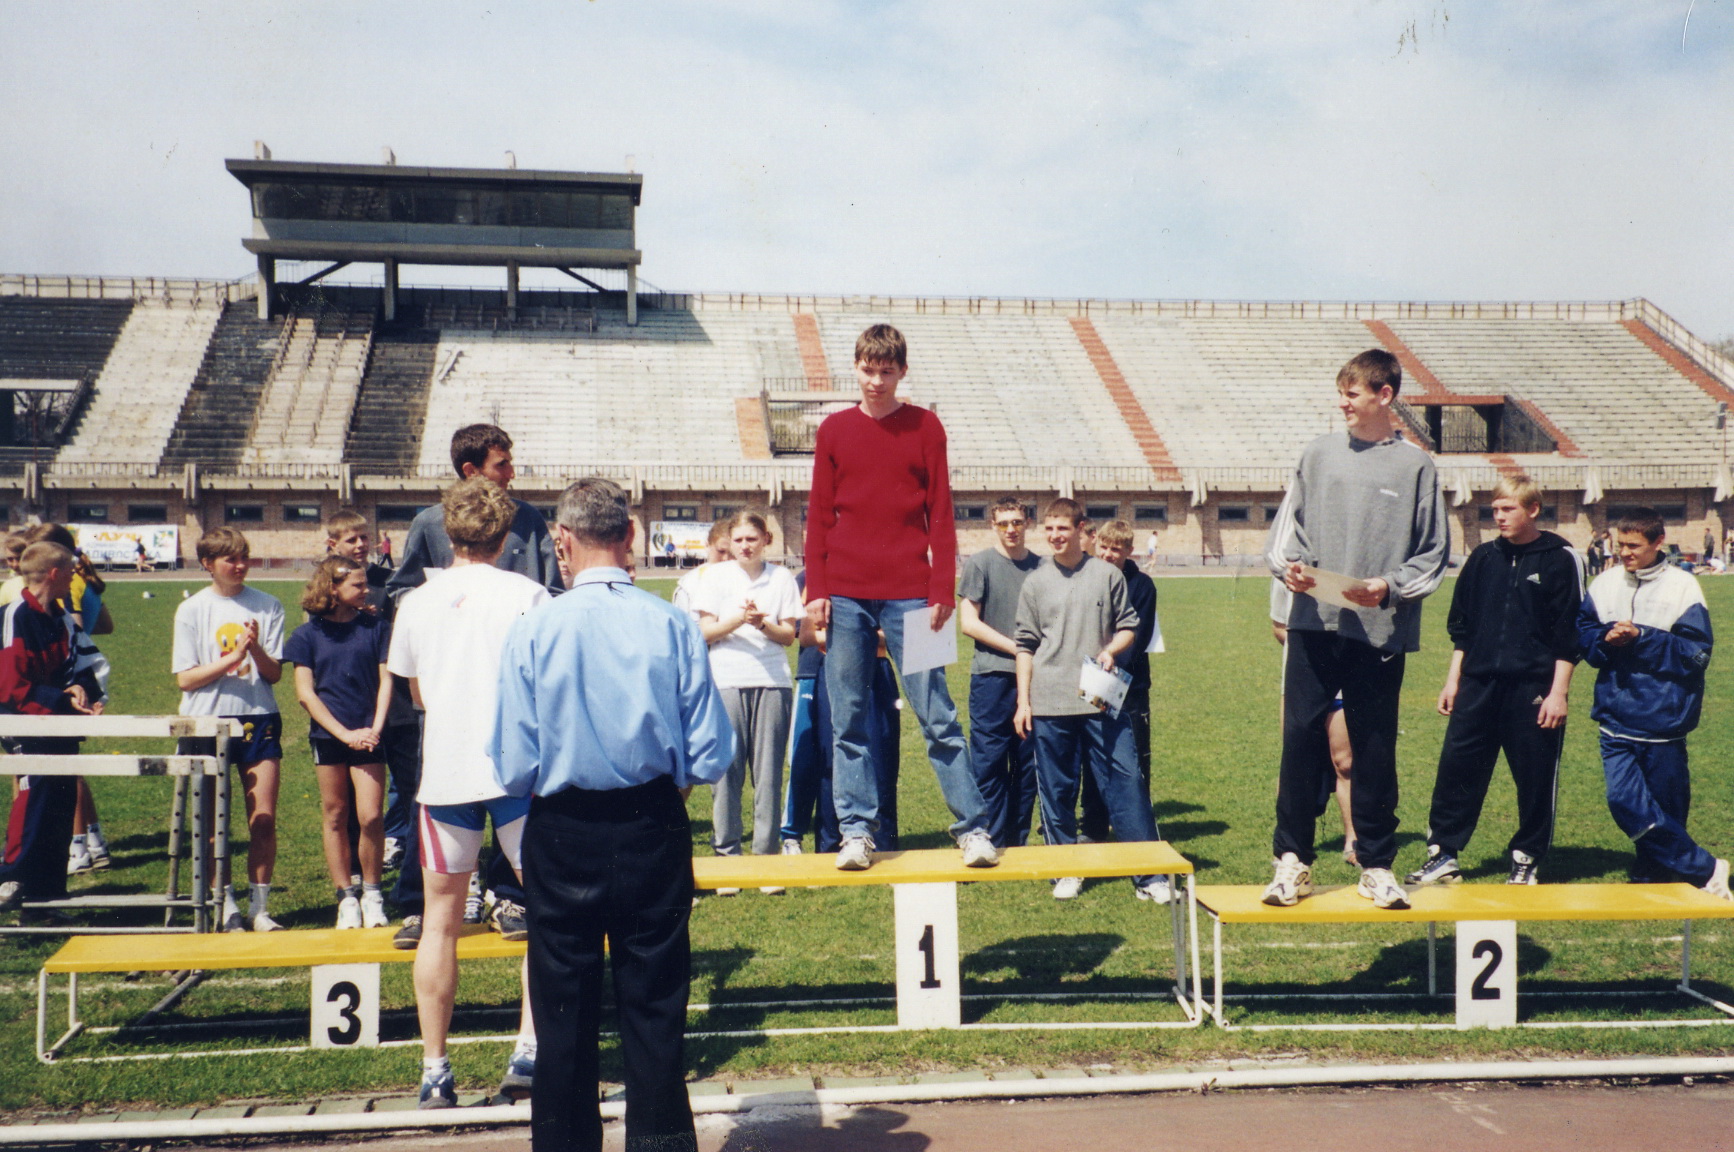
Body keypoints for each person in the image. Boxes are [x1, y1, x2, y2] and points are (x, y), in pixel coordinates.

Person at [491, 477, 734, 1152]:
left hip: (563, 829)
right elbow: (712, 750)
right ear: (629, 537)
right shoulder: (672, 624)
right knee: (655, 1013)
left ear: (562, 541)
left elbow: (510, 763)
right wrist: (668, 787)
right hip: (650, 824)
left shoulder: (534, 629)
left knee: (562, 1019)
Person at [803, 323, 998, 872]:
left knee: (937, 714)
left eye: (887, 371)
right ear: (856, 367)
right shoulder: (834, 431)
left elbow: (941, 513)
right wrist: (817, 590)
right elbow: (819, 515)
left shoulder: (926, 427)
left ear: (902, 371)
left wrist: (941, 588)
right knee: (849, 718)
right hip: (846, 596)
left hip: (915, 595)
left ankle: (973, 828)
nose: (876, 381)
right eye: (868, 370)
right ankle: (857, 833)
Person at [1262, 348, 1448, 910]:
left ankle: (1376, 865)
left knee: (1373, 746)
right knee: (1299, 739)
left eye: (1352, 393)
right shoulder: (1315, 455)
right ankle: (1291, 862)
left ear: (1384, 396)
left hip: (1377, 629)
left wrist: (1388, 587)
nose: (1342, 402)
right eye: (1341, 392)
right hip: (1312, 623)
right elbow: (1283, 536)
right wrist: (1289, 569)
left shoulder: (1417, 466)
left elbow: (1434, 555)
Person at [388, 477, 548, 1108]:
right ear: (507, 536)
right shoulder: (530, 594)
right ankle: (529, 1052)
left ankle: (435, 1070)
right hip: (518, 775)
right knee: (545, 918)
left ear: (445, 532)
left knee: (440, 924)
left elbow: (417, 692)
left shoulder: (418, 602)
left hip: (446, 775)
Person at [388, 424, 560, 944]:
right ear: (471, 470)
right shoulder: (427, 523)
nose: (512, 473)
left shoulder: (527, 520)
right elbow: (400, 588)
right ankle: (422, 902)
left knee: (518, 807)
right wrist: (444, 614)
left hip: (512, 699)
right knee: (436, 791)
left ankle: (509, 896)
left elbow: (552, 587)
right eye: (502, 464)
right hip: (448, 688)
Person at [1407, 475, 1583, 888]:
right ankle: (1443, 854)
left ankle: (1526, 857)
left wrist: (1558, 693)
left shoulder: (1560, 558)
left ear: (1533, 509)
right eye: (1495, 509)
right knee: (1456, 771)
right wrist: (1453, 681)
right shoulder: (1484, 557)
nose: (1499, 517)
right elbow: (1463, 629)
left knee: (1535, 776)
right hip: (1477, 685)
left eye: (1508, 509)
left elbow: (1569, 634)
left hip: (1534, 690)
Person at [1013, 499, 1166, 902]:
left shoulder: (1106, 576)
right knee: (1058, 789)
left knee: (1126, 781)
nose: (1054, 536)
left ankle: (1150, 875)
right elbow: (1025, 645)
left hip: (1099, 696)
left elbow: (1130, 627)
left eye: (1062, 528)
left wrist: (1111, 651)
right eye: (1048, 529)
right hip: (1049, 700)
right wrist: (1023, 701)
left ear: (1084, 530)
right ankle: (1066, 870)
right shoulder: (1035, 581)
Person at [1576, 507, 1730, 897]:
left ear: (1658, 542)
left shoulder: (1683, 587)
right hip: (1615, 716)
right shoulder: (1605, 582)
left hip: (1664, 719)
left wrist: (1642, 637)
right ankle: (1707, 868)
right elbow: (1583, 636)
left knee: (1666, 807)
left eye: (1634, 546)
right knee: (1623, 801)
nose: (1625, 552)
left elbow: (1697, 655)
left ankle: (1653, 870)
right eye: (1620, 544)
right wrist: (1604, 640)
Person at [172, 527, 286, 932]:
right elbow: (186, 679)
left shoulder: (267, 605)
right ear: (208, 564)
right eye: (229, 559)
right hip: (206, 721)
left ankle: (261, 908)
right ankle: (226, 903)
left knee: (263, 818)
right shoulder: (192, 610)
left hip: (258, 719)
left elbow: (273, 674)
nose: (239, 566)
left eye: (244, 558)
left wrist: (254, 650)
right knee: (211, 821)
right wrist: (233, 657)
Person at [691, 511, 801, 890]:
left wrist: (761, 624)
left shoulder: (782, 577)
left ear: (766, 539)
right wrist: (738, 620)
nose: (745, 546)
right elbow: (705, 631)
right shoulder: (715, 577)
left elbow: (789, 635)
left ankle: (766, 860)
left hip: (772, 682)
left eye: (752, 539)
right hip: (726, 681)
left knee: (767, 774)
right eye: (738, 540)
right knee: (727, 774)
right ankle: (727, 860)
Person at [285, 555, 394, 929]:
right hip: (330, 737)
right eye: (358, 585)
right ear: (333, 588)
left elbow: (386, 683)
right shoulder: (306, 636)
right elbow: (305, 693)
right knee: (335, 815)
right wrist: (344, 734)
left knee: (371, 816)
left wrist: (374, 729)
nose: (366, 590)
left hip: (369, 736)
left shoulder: (376, 628)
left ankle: (374, 893)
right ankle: (346, 896)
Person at [0, 542, 105, 920]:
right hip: (25, 723)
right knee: (35, 796)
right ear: (55, 574)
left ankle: (46, 899)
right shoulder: (16, 616)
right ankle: (12, 878)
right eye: (72, 571)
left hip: (58, 722)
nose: (78, 577)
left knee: (60, 806)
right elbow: (9, 684)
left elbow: (77, 666)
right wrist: (61, 698)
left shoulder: (59, 616)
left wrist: (86, 692)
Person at [325, 510, 420, 884]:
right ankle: (352, 877)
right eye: (352, 539)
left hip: (396, 705)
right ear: (332, 544)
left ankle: (415, 864)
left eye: (365, 537)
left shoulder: (389, 582)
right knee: (349, 802)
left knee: (413, 786)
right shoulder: (325, 588)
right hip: (350, 708)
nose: (362, 545)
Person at [958, 496, 1041, 849]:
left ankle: (1017, 841)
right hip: (993, 677)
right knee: (989, 764)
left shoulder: (1042, 567)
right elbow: (968, 623)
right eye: (1004, 523)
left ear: (1027, 524)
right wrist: (1018, 649)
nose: (1011, 529)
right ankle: (987, 837)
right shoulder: (980, 565)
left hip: (1036, 681)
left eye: (1017, 522)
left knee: (1028, 766)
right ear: (993, 525)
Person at [1081, 520, 1157, 844]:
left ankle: (1138, 832)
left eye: (1117, 549)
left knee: (1133, 759)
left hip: (1128, 685)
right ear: (1096, 545)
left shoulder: (1142, 586)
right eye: (1105, 548)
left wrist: (1108, 667)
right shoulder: (1086, 580)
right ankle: (1094, 828)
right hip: (1090, 680)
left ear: (1128, 550)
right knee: (1093, 757)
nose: (1109, 555)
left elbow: (1137, 638)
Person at [1271, 582, 1357, 866]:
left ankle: (1353, 840)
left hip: (1346, 676)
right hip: (1300, 678)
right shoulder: (1286, 574)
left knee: (1345, 762)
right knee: (1295, 759)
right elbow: (1278, 626)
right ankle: (1291, 847)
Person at [671, 520, 731, 614]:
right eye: (721, 551)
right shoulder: (689, 586)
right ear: (707, 546)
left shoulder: (750, 581)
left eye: (732, 553)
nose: (726, 558)